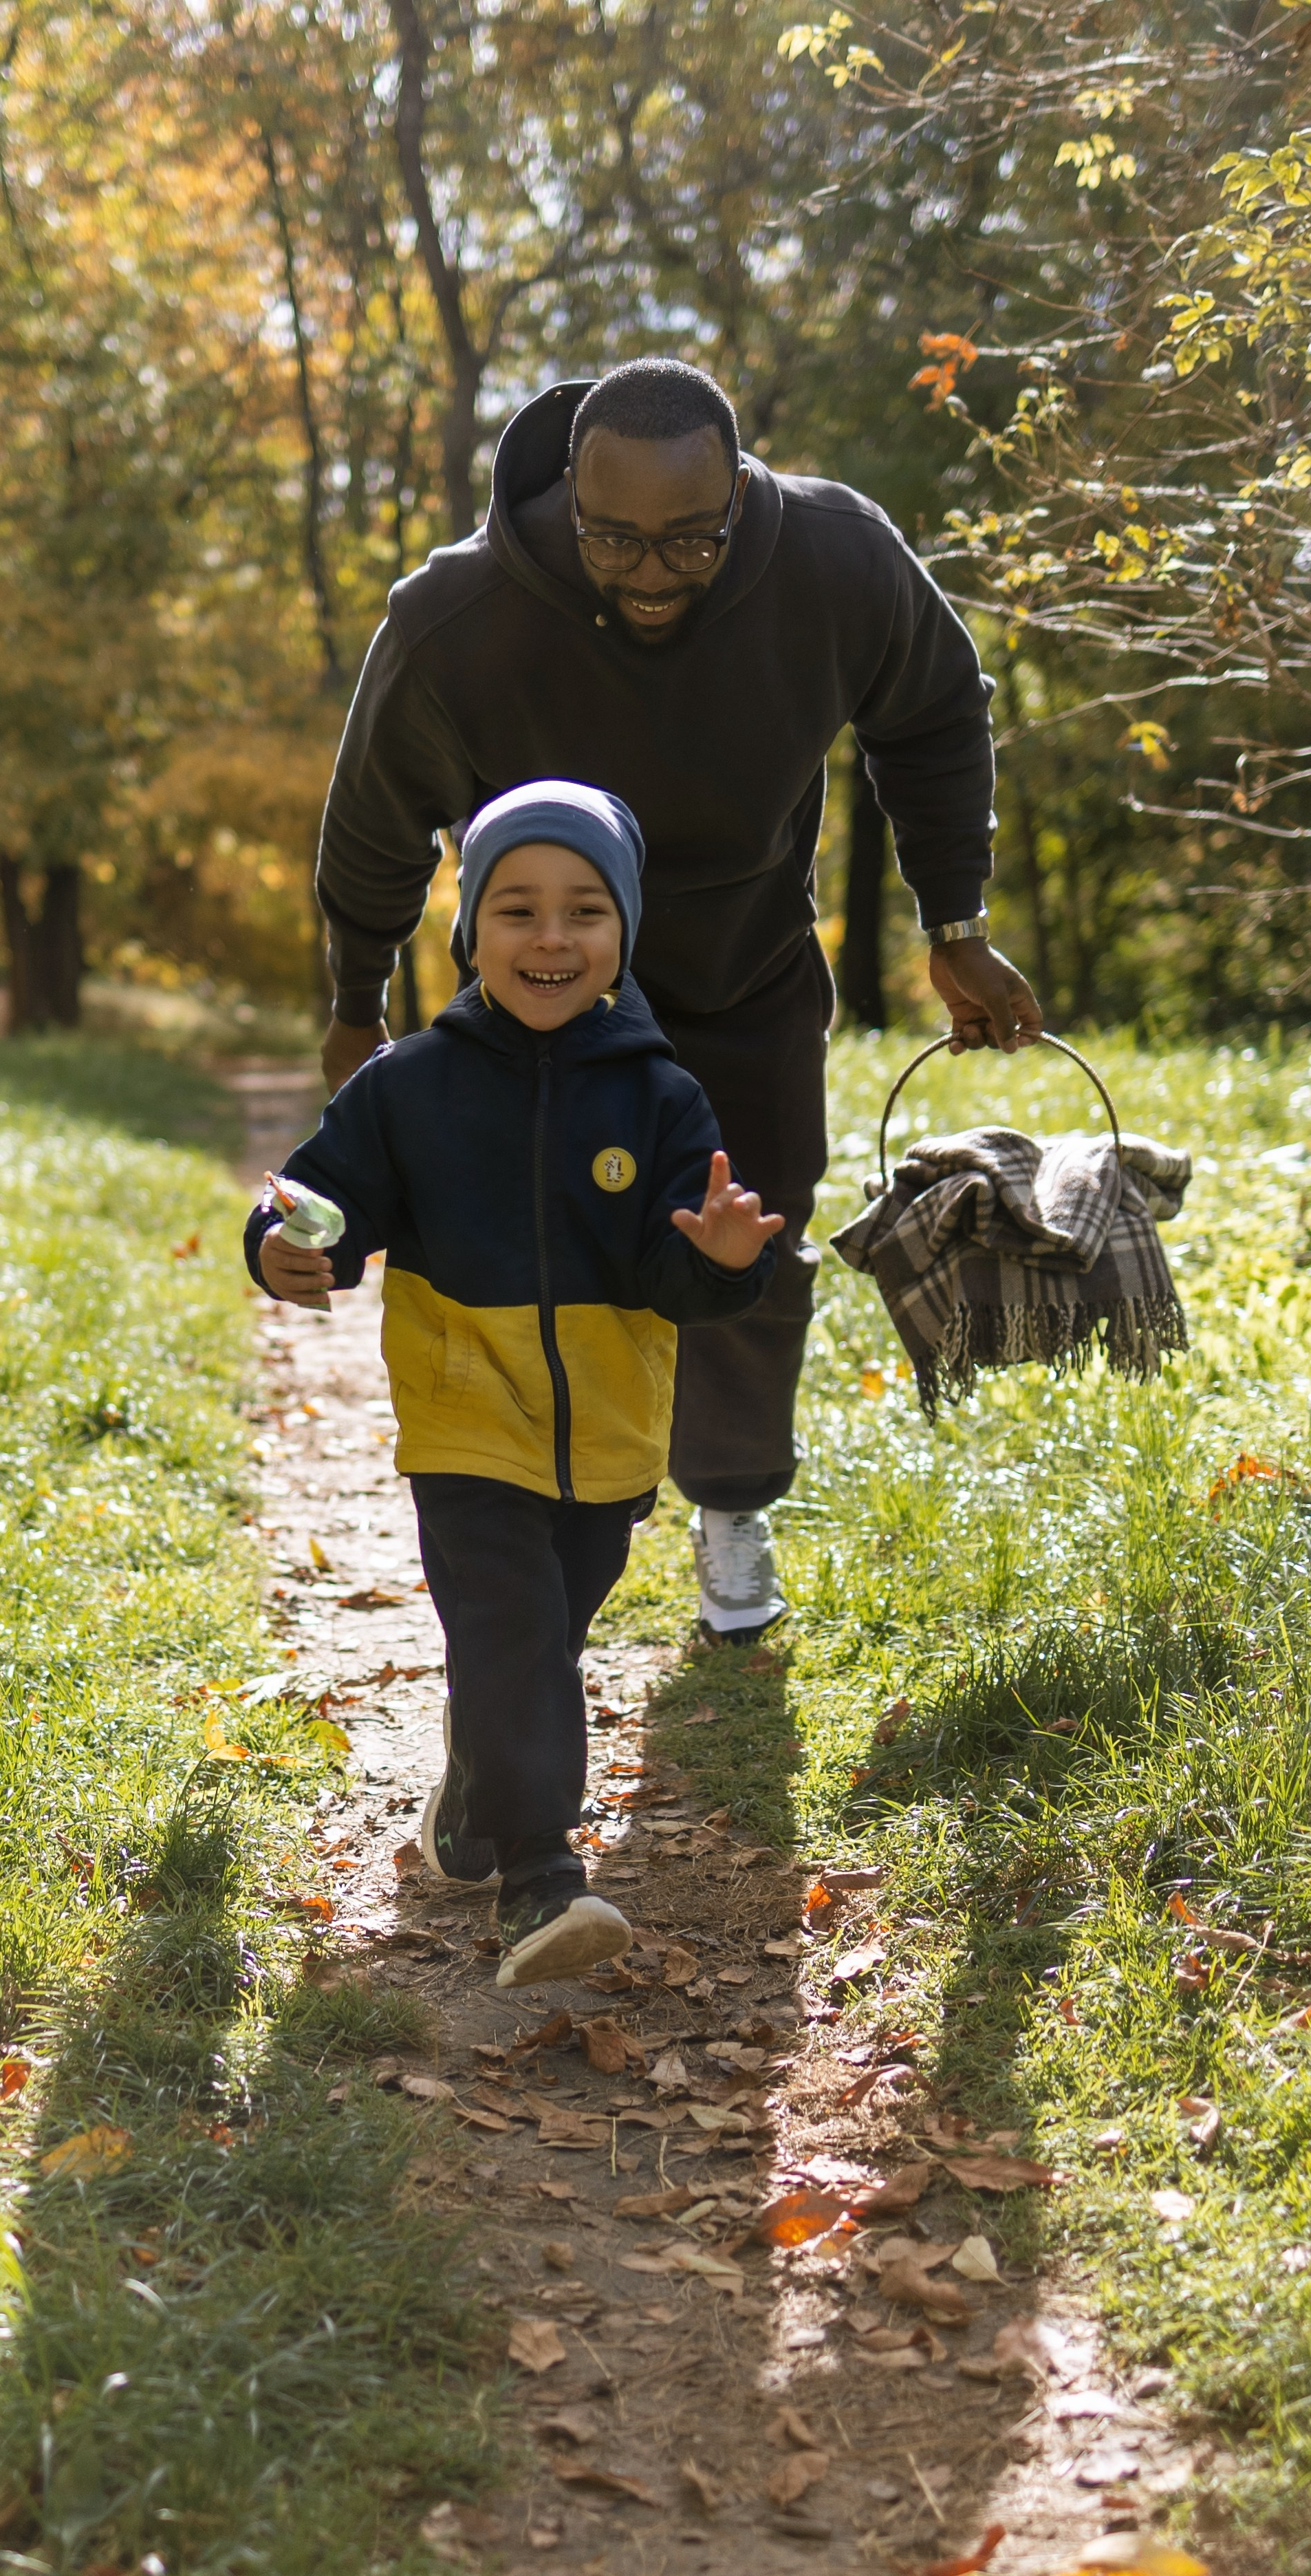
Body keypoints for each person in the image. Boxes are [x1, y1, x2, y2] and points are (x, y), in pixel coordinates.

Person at [314, 358, 1044, 1644]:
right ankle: (526, 1533)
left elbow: (934, 715)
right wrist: (352, 1000)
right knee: (527, 1262)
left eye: (690, 540)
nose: (652, 572)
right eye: (616, 540)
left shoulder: (832, 558)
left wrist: (957, 925)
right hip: (536, 1005)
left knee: (748, 1246)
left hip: (744, 974)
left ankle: (729, 1503)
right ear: (571, 500)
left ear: (743, 489)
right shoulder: (461, 616)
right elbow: (375, 817)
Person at [244, 782, 783, 1988]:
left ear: (624, 934)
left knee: (543, 1634)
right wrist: (285, 1249)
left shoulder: (661, 1097)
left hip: (606, 1438)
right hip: (465, 1421)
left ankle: (483, 1795)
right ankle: (543, 1875)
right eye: (520, 910)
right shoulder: (407, 1086)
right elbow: (316, 1200)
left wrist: (718, 1265)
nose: (553, 939)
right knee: (511, 1628)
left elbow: (671, 1271)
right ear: (471, 932)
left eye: (586, 911)